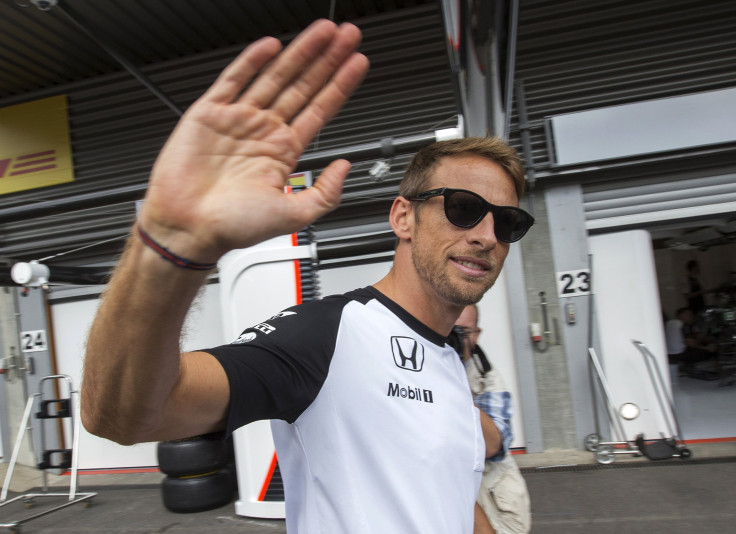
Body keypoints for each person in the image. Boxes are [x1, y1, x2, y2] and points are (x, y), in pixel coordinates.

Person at [80, 19, 534, 533]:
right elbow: (122, 415)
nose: (487, 235)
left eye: (507, 222)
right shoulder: (325, 335)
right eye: (464, 207)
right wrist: (168, 248)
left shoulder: (451, 355)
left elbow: (443, 492)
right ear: (403, 217)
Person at [452, 304, 531, 534]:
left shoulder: (487, 378)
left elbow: (492, 447)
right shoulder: (419, 366)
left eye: (463, 332)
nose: (454, 339)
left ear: (476, 335)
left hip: (491, 496)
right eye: (450, 329)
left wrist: (452, 382)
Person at [665, 307, 718, 380]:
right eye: (689, 315)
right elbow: (691, 344)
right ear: (682, 315)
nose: (692, 317)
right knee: (708, 352)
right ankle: (691, 368)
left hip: (669, 355)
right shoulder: (683, 325)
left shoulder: (669, 323)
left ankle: (686, 366)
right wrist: (708, 348)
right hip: (681, 354)